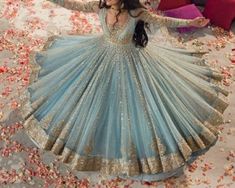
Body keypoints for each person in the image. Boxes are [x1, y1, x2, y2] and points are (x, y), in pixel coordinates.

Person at [18, 0, 230, 182]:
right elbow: (73, 4)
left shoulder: (135, 13)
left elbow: (163, 21)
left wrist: (191, 22)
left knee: (139, 105)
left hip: (131, 60)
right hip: (100, 53)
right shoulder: (100, 6)